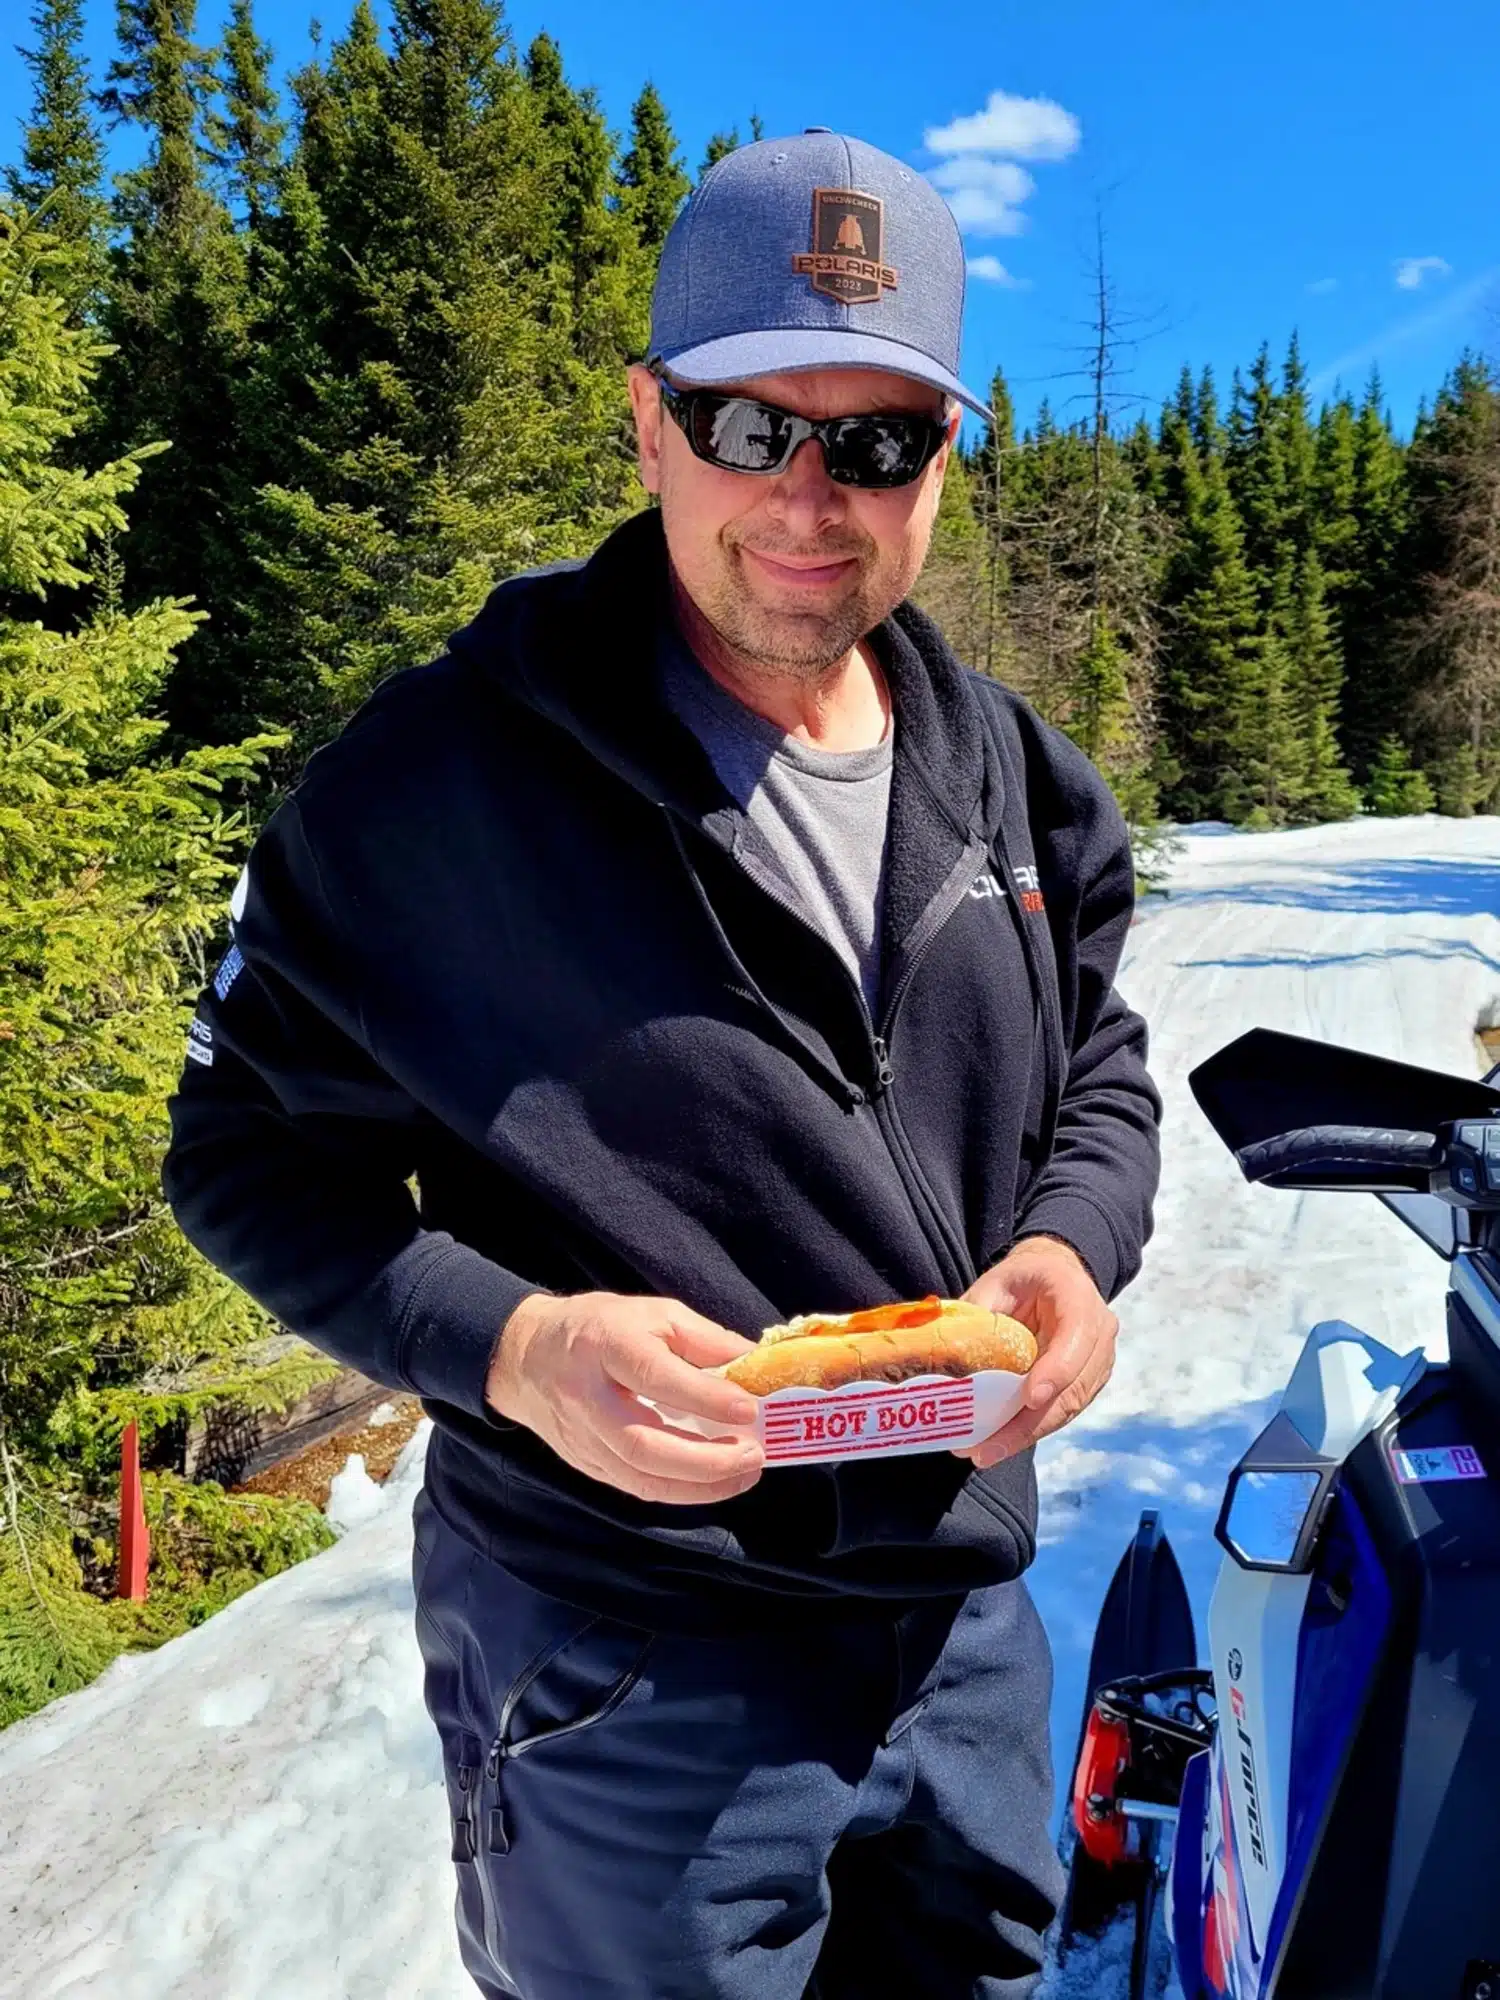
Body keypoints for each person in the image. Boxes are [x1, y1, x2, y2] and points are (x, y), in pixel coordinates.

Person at [163, 128, 1161, 2000]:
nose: (809, 494)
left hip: (960, 1627)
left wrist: (1077, 1250)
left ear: (942, 465)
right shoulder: (427, 793)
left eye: (875, 440)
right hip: (624, 1665)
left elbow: (1100, 1059)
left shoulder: (1016, 777)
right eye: (748, 423)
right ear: (646, 425)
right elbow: (237, 1154)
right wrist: (518, 1349)